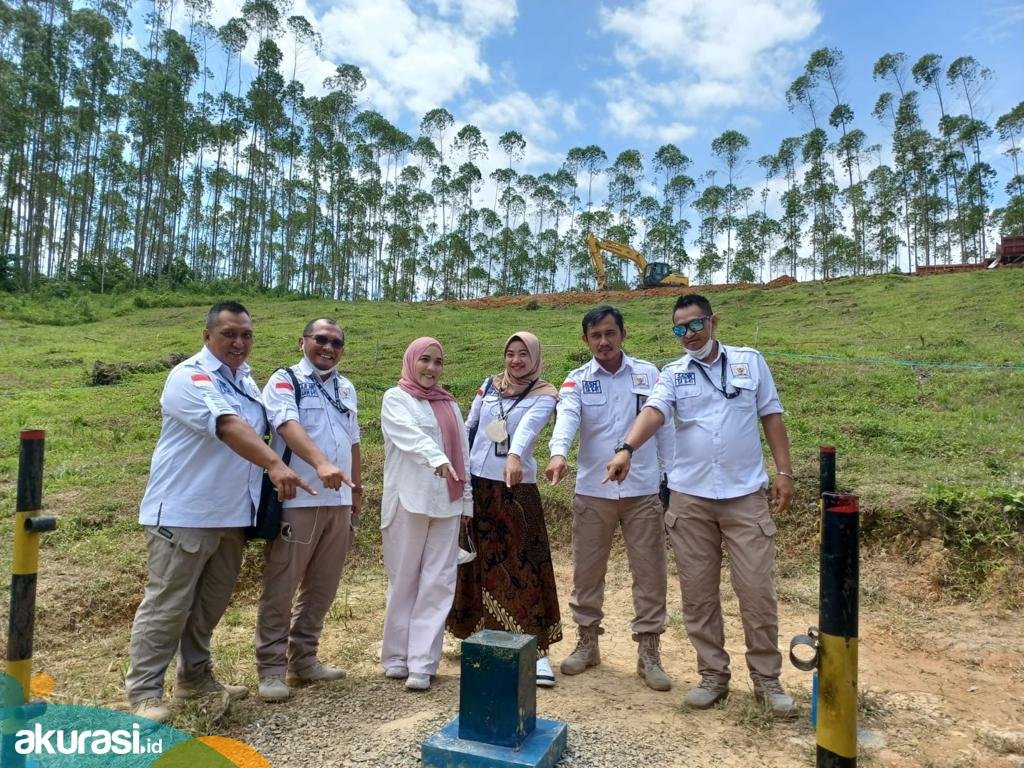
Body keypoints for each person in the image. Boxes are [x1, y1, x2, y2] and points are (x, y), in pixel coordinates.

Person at [603, 293, 797, 717]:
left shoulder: (750, 362)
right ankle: (713, 675)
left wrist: (784, 473)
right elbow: (653, 413)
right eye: (680, 329)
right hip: (690, 499)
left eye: (695, 325)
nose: (688, 335)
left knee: (756, 591)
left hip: (745, 497)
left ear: (713, 322)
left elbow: (772, 416)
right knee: (698, 594)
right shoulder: (673, 374)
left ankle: (767, 680)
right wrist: (626, 448)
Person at [125, 301, 313, 723]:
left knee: (209, 604)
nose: (239, 342)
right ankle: (144, 693)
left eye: (246, 334)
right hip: (183, 513)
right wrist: (275, 465)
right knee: (168, 604)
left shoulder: (245, 381)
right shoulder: (190, 376)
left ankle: (195, 677)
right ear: (207, 335)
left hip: (231, 515)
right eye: (229, 333)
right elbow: (229, 427)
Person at [545, 306, 675, 691]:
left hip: (642, 491)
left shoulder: (650, 374)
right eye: (595, 335)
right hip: (593, 491)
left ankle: (649, 652)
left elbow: (663, 427)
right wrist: (558, 454)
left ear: (623, 334)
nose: (603, 342)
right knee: (587, 571)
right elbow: (566, 418)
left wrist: (671, 476)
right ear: (585, 340)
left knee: (650, 573)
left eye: (610, 333)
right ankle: (587, 644)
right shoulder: (577, 380)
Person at [448, 331, 562, 688]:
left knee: (521, 566)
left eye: (523, 354)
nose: (516, 361)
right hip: (479, 487)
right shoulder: (489, 385)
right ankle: (476, 633)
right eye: (510, 354)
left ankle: (537, 651)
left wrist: (514, 456)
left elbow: (528, 430)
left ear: (535, 357)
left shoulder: (545, 393)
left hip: (515, 488)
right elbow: (470, 428)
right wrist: (457, 471)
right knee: (477, 562)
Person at [256, 318, 362, 702]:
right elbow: (286, 425)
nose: (328, 347)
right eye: (321, 339)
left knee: (323, 587)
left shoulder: (346, 387)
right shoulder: (285, 380)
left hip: (338, 502)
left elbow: (353, 443)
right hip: (299, 499)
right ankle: (270, 668)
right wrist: (319, 463)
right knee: (282, 586)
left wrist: (357, 492)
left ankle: (304, 659)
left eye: (336, 341)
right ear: (302, 341)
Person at [380, 337, 472, 692]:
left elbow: (463, 453)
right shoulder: (396, 398)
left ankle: (423, 662)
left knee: (438, 581)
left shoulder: (450, 404)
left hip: (447, 505)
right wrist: (436, 457)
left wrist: (466, 503)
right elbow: (407, 434)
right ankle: (396, 657)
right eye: (425, 361)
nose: (431, 368)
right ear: (411, 361)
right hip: (408, 501)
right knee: (404, 579)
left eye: (438, 362)